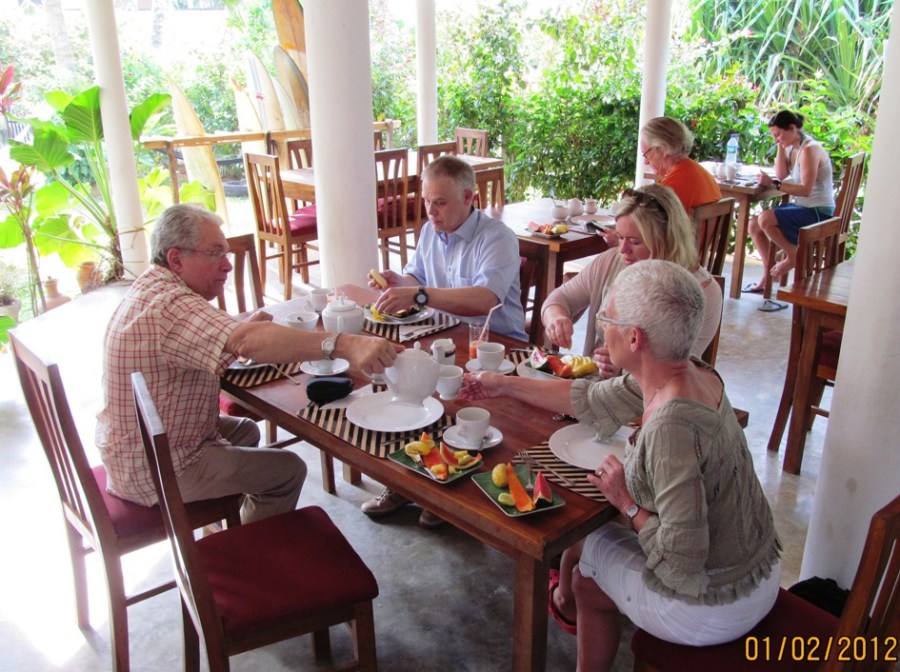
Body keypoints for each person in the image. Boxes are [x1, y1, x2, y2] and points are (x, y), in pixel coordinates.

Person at [462, 260, 781, 671]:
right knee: (593, 546)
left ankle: (574, 606)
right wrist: (500, 384)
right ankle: (574, 602)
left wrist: (628, 504)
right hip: (758, 571)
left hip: (715, 605)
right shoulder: (695, 372)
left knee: (590, 559)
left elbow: (683, 561)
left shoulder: (671, 427)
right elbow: (590, 399)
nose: (600, 325)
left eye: (607, 317)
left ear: (634, 338)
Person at [96, 204, 399, 524]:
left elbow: (227, 339)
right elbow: (247, 343)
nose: (227, 265)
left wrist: (243, 331)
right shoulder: (171, 306)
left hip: (137, 445)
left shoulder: (154, 288)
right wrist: (346, 344)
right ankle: (242, 549)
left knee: (244, 432)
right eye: (215, 254)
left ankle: (226, 523)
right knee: (288, 470)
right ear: (176, 259)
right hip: (156, 468)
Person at [361, 154, 526, 527]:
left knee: (441, 396)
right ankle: (410, 483)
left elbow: (485, 298)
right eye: (426, 201)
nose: (431, 212)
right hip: (444, 336)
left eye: (440, 202)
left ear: (470, 198)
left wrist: (419, 295)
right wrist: (397, 281)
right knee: (402, 386)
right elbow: (417, 278)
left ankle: (445, 492)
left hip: (497, 347)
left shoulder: (496, 237)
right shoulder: (429, 232)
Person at [541, 184, 722, 378]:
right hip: (592, 387)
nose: (623, 249)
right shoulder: (611, 261)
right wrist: (556, 318)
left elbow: (678, 373)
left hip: (648, 398)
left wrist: (624, 367)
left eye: (635, 242)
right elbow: (559, 299)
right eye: (619, 238)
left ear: (667, 239)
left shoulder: (700, 292)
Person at [744, 110, 835, 291]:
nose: (776, 139)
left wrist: (773, 184)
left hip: (818, 213)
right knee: (754, 225)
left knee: (765, 219)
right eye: (774, 136)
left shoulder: (809, 149)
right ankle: (768, 274)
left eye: (778, 135)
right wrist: (780, 145)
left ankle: (793, 255)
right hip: (803, 208)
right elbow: (782, 174)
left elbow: (805, 190)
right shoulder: (793, 146)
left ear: (793, 128)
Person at [640, 116, 722, 215]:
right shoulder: (700, 172)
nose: (646, 162)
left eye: (646, 154)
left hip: (688, 231)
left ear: (662, 148)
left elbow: (649, 226)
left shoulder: (669, 190)